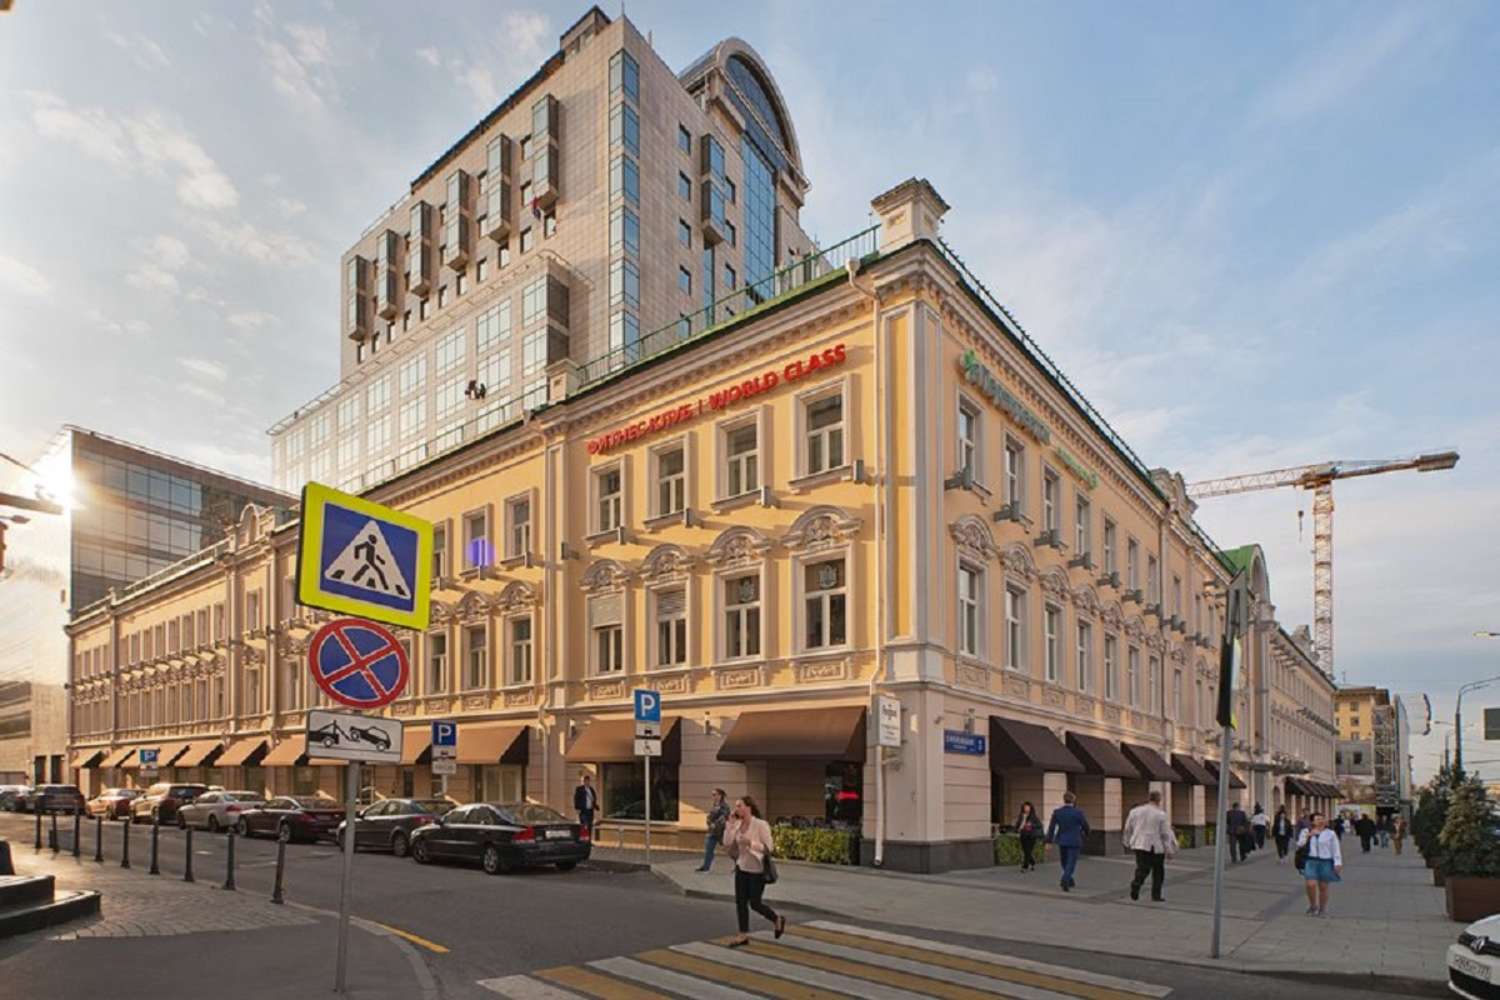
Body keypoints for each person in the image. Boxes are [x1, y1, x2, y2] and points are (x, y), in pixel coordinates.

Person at [723, 795, 785, 946]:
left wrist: (750, 843)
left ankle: (776, 919)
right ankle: (742, 935)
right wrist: (729, 826)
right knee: (740, 903)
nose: (736, 809)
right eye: (736, 806)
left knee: (755, 903)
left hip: (757, 870)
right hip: (741, 867)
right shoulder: (737, 824)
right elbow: (727, 843)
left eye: (739, 806)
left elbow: (769, 848)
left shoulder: (760, 825)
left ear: (748, 808)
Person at [1122, 790, 1177, 902]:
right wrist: (1169, 849)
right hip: (1155, 846)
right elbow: (1165, 833)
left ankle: (1137, 883)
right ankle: (1156, 895)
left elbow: (1127, 828)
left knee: (1142, 867)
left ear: (1149, 798)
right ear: (1159, 800)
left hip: (1139, 844)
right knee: (1158, 871)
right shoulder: (1161, 814)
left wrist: (1127, 841)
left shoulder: (1135, 811)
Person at [1296, 811, 1343, 916]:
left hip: (1325, 861)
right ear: (1312, 822)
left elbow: (1335, 849)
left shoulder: (1330, 833)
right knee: (1310, 884)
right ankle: (1313, 906)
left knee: (1323, 886)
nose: (1320, 821)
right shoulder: (1305, 831)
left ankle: (1323, 909)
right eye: (1317, 819)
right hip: (1311, 861)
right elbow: (1299, 845)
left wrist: (1338, 863)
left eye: (1322, 819)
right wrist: (1309, 836)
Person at [1046, 791, 1090, 892]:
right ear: (1073, 800)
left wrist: (1049, 841)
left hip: (1062, 840)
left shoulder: (1057, 812)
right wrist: (1086, 834)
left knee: (1064, 861)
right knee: (1071, 862)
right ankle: (1065, 879)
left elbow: (1051, 827)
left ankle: (1069, 879)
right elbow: (1085, 825)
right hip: (1075, 840)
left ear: (1064, 800)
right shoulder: (1078, 813)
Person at [697, 789, 730, 872]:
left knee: (730, 849)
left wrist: (715, 824)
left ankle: (738, 865)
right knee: (709, 849)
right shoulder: (714, 805)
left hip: (721, 832)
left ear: (720, 795)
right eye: (713, 795)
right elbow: (710, 816)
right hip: (712, 832)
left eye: (715, 794)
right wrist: (709, 822)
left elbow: (724, 817)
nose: (713, 797)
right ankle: (706, 866)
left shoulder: (724, 806)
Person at [1015, 801, 1042, 872]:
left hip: (1031, 836)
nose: (1026, 809)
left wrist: (1031, 825)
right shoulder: (1021, 816)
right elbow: (1017, 826)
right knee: (1026, 851)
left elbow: (1039, 825)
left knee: (1028, 851)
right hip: (1023, 835)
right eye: (1025, 807)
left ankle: (1025, 866)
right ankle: (1032, 862)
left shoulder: (1034, 817)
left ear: (1030, 808)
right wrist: (1019, 826)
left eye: (1028, 807)